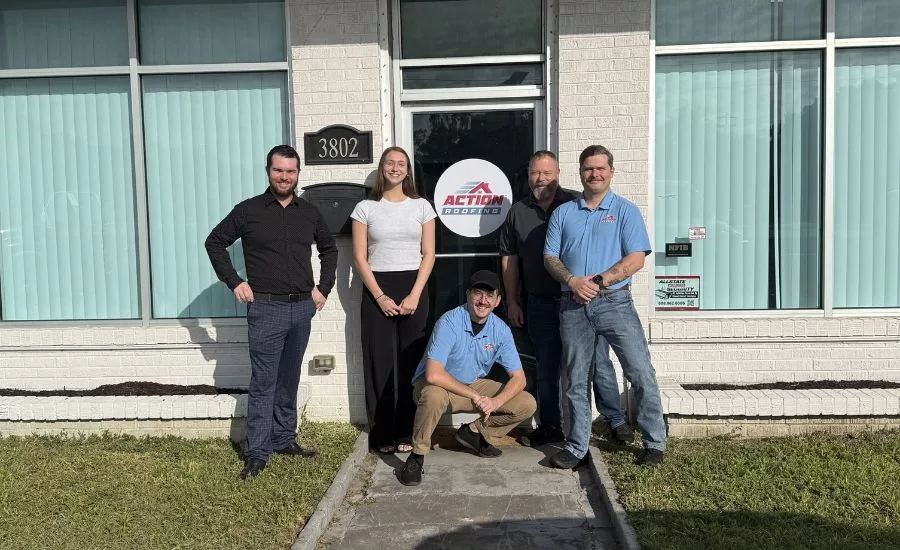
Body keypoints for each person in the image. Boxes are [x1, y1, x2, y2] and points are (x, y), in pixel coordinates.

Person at [205, 144, 338, 480]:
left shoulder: (308, 212)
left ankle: (284, 439)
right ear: (269, 171)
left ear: (297, 174)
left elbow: (329, 249)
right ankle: (257, 454)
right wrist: (235, 282)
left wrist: (323, 289)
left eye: (291, 171)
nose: (285, 177)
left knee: (289, 377)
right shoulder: (248, 211)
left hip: (301, 309)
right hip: (265, 308)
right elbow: (215, 242)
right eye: (279, 170)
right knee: (264, 383)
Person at [544, 144, 666, 468]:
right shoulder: (563, 213)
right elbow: (550, 257)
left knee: (640, 370)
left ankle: (655, 443)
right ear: (580, 172)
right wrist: (572, 281)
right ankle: (577, 446)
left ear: (612, 171)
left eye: (601, 168)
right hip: (572, 304)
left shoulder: (626, 211)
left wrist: (597, 282)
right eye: (588, 168)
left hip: (614, 302)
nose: (594, 174)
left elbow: (636, 258)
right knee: (575, 378)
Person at [500, 151, 632, 448]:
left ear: (558, 172)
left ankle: (615, 420)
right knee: (546, 369)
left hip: (580, 301)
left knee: (598, 363)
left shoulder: (576, 204)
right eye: (535, 173)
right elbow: (509, 260)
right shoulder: (517, 212)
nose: (541, 178)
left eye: (547, 172)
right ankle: (552, 427)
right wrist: (512, 301)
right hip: (540, 304)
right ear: (528, 175)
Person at [399, 270, 537, 486]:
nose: (483, 301)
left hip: (473, 384)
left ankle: (473, 432)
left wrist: (494, 402)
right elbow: (433, 374)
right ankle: (417, 456)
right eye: (478, 293)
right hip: (438, 386)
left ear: (498, 301)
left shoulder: (500, 330)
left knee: (526, 403)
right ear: (468, 295)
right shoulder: (449, 322)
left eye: (489, 295)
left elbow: (519, 378)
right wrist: (475, 395)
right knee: (433, 396)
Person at [351, 146, 436, 454]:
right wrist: (380, 296)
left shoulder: (422, 207)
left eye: (401, 164)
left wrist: (414, 293)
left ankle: (408, 432)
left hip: (414, 286)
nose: (395, 168)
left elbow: (429, 255)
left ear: (408, 171)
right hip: (378, 289)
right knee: (380, 363)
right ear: (382, 168)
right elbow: (360, 259)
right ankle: (382, 433)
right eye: (390, 163)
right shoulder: (365, 208)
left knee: (412, 364)